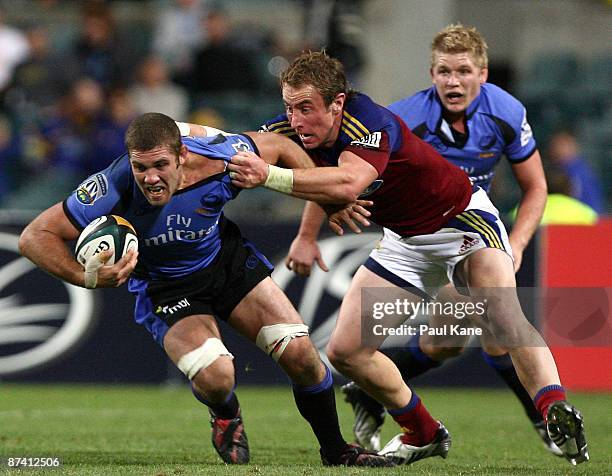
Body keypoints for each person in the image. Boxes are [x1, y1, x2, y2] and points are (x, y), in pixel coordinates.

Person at [227, 50, 589, 466]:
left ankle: (553, 409)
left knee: (502, 317)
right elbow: (285, 161)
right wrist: (185, 139)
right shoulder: (302, 129)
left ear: (338, 103)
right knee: (346, 351)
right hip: (405, 240)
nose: (295, 120)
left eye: (305, 108)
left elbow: (347, 182)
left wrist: (269, 175)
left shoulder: (372, 120)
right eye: (289, 108)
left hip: (462, 223)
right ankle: (424, 432)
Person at [18, 112, 393, 468]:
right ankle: (226, 412)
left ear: (182, 155)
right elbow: (35, 235)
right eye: (141, 167)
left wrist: (322, 198)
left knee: (302, 355)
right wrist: (87, 278)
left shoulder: (221, 159)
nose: (149, 178)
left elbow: (281, 146)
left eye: (160, 165)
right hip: (165, 286)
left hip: (225, 263)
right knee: (217, 378)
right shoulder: (111, 187)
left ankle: (336, 450)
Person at [340, 23, 562, 458]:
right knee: (493, 328)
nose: (453, 81)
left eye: (463, 71)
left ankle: (371, 393)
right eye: (444, 71)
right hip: (425, 235)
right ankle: (545, 417)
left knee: (447, 341)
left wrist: (515, 244)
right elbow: (345, 171)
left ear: (482, 74)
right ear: (432, 74)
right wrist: (311, 232)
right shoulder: (405, 119)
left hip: (473, 230)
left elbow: (536, 187)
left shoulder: (505, 111)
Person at [547, 129, 604, 214]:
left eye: (562, 145)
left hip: (580, 221)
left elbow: (594, 203)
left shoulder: (582, 174)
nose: (556, 149)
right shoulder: (552, 169)